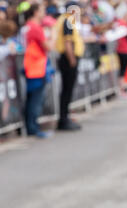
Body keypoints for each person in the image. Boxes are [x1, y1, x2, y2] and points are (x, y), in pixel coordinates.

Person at [23, 3, 53, 138]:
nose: (44, 13)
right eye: (42, 10)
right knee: (35, 100)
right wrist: (53, 34)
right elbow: (48, 46)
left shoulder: (27, 26)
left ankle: (31, 127)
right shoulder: (35, 27)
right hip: (36, 68)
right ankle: (33, 128)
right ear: (35, 12)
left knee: (32, 99)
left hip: (32, 67)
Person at [54, 1, 85, 131]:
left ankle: (65, 117)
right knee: (67, 90)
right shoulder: (68, 20)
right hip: (68, 59)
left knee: (67, 90)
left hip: (67, 58)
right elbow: (68, 43)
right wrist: (72, 59)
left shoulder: (64, 20)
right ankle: (63, 119)